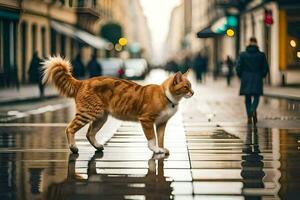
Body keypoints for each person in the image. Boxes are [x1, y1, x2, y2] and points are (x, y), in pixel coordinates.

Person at [236, 37, 269, 124]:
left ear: (249, 43)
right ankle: (253, 109)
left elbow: (238, 67)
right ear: (256, 43)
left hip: (246, 78)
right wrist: (262, 75)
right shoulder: (261, 55)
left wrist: (241, 76)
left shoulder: (243, 55)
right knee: (257, 96)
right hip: (257, 77)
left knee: (247, 98)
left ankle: (249, 116)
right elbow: (265, 67)